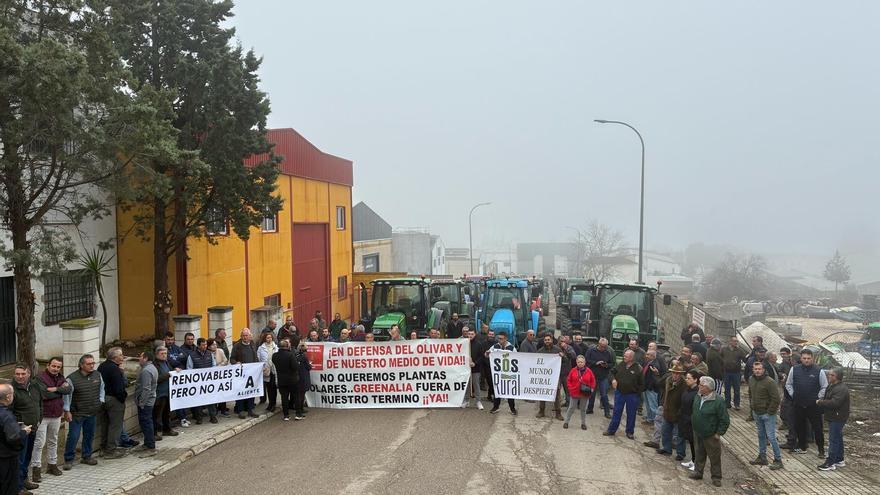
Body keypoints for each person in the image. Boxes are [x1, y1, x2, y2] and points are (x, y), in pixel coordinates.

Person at [30, 357, 70, 481]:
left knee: (53, 440)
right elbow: (44, 394)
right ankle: (36, 469)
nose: (56, 369)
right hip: (43, 416)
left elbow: (69, 389)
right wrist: (60, 391)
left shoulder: (61, 377)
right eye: (53, 366)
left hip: (57, 414)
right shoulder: (39, 378)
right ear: (48, 365)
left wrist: (56, 389)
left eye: (58, 367)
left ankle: (52, 465)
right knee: (39, 443)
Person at [63, 354, 104, 470]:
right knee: (74, 436)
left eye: (93, 363)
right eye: (89, 364)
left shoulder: (97, 375)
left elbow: (102, 388)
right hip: (77, 413)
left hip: (92, 412)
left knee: (89, 435)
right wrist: (67, 411)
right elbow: (67, 396)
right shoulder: (71, 378)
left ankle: (86, 456)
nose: (92, 366)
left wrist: (101, 400)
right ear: (81, 365)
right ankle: (68, 459)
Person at [785, 348, 827, 457]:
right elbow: (788, 384)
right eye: (804, 358)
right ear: (801, 358)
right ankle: (802, 447)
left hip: (814, 405)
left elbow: (824, 386)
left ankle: (821, 450)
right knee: (800, 426)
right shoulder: (794, 369)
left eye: (809, 358)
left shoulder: (819, 371)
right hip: (798, 404)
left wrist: (818, 397)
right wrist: (793, 394)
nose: (806, 360)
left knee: (817, 428)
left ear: (812, 359)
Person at [689, 376, 729, 487]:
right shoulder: (698, 396)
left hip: (711, 435)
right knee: (699, 454)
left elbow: (724, 419)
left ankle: (716, 477)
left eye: (701, 385)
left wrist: (719, 433)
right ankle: (698, 472)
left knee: (714, 457)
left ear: (708, 388)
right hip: (698, 431)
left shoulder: (718, 401)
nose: (699, 386)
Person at [747, 361, 783, 469]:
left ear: (763, 370)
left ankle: (778, 460)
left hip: (768, 414)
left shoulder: (769, 382)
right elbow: (750, 393)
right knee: (761, 435)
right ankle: (762, 457)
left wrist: (770, 412)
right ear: (753, 369)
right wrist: (752, 407)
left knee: (771, 437)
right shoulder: (751, 379)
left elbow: (776, 399)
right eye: (755, 369)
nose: (757, 371)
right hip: (757, 412)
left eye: (759, 369)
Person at [11, 364, 41, 491]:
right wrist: (19, 427)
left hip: (33, 428)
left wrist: (39, 419)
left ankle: (24, 480)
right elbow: (9, 412)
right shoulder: (11, 390)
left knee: (28, 456)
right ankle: (18, 487)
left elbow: (40, 404)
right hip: (21, 431)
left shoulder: (34, 386)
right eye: (17, 374)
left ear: (28, 374)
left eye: (23, 374)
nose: (20, 376)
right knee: (19, 459)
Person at [603, 349, 644, 439]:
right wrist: (613, 380)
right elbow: (611, 373)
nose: (623, 357)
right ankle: (611, 430)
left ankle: (630, 432)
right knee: (616, 412)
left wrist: (637, 393)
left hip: (632, 395)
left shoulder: (638, 368)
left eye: (626, 356)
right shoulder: (620, 364)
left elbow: (642, 383)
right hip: (620, 393)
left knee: (631, 414)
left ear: (632, 358)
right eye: (624, 355)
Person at [97, 347, 128, 459]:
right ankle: (111, 450)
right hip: (114, 399)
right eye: (121, 355)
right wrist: (123, 398)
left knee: (105, 424)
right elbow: (119, 388)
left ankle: (103, 448)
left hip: (103, 398)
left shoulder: (102, 366)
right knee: (115, 425)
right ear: (115, 357)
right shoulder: (115, 369)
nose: (122, 357)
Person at [817, 367, 850, 471]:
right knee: (838, 437)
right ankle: (839, 459)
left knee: (833, 439)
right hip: (834, 416)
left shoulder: (841, 388)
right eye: (829, 374)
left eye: (832, 375)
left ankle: (830, 462)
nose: (829, 376)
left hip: (838, 417)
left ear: (838, 377)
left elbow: (835, 403)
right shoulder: (832, 385)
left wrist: (820, 402)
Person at [1, 383, 30, 495]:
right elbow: (14, 438)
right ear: (8, 397)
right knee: (8, 487)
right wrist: (23, 432)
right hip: (6, 458)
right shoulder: (7, 416)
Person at [657, 363, 687, 459]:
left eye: (678, 373)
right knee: (665, 431)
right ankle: (667, 449)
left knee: (679, 435)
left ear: (681, 374)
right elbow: (664, 391)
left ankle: (680, 453)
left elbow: (684, 400)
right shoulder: (668, 380)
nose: (675, 375)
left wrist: (680, 412)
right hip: (667, 410)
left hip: (678, 413)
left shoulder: (684, 384)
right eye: (674, 373)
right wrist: (663, 403)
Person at [186, 338, 218, 424]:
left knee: (211, 400)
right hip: (198, 383)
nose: (205, 346)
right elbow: (189, 369)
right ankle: (199, 418)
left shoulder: (209, 354)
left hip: (208, 382)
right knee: (198, 401)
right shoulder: (191, 356)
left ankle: (213, 417)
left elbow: (214, 365)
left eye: (206, 345)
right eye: (203, 345)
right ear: (198, 345)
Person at [231, 328, 260, 419]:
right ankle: (240, 410)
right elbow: (232, 358)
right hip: (241, 374)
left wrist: (259, 366)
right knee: (241, 392)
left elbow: (255, 357)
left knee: (251, 392)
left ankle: (250, 409)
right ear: (241, 336)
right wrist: (236, 363)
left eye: (246, 335)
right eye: (243, 336)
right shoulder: (237, 346)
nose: (245, 337)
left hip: (252, 373)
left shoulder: (252, 344)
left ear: (249, 336)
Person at [134, 351, 158, 458]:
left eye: (140, 356)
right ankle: (147, 443)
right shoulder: (151, 368)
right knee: (146, 422)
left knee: (146, 423)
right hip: (149, 401)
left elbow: (146, 388)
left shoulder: (146, 371)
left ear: (146, 358)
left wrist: (142, 403)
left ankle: (151, 447)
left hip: (146, 402)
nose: (139, 358)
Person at [487, 331, 517, 415]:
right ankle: (496, 407)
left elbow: (517, 358)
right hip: (498, 373)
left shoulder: (511, 348)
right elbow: (486, 354)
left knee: (509, 391)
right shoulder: (495, 346)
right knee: (497, 390)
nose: (499, 340)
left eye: (501, 338)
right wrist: (487, 353)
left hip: (508, 373)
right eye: (498, 338)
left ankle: (512, 408)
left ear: (506, 338)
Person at [152, 347, 179, 440]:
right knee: (157, 415)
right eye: (162, 354)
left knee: (167, 413)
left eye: (165, 353)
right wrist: (168, 374)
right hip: (159, 394)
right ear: (156, 354)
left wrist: (175, 370)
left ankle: (167, 429)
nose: (164, 355)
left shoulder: (166, 363)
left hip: (168, 393)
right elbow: (156, 379)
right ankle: (156, 432)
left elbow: (171, 372)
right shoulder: (154, 365)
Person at [563, 356, 596, 430]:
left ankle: (583, 423)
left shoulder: (589, 371)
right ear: (576, 363)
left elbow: (593, 380)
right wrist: (571, 388)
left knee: (583, 409)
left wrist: (592, 388)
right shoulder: (573, 370)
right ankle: (566, 422)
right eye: (578, 362)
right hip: (574, 392)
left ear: (584, 363)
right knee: (571, 407)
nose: (580, 363)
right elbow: (568, 380)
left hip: (585, 393)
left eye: (582, 362)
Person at [536, 334, 564, 420]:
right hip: (543, 376)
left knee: (556, 395)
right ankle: (541, 411)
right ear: (544, 341)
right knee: (542, 393)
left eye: (548, 340)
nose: (547, 341)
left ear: (551, 340)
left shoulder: (557, 350)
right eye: (545, 340)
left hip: (555, 376)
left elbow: (565, 361)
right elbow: (535, 362)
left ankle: (558, 413)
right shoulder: (540, 351)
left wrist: (562, 356)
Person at [678, 370, 702, 471]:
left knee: (695, 442)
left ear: (695, 380)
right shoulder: (687, 389)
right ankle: (692, 460)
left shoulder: (697, 393)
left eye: (689, 378)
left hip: (692, 421)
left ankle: (697, 464)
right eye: (686, 378)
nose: (686, 380)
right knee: (691, 441)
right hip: (685, 419)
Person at [585, 338, 614, 418]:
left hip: (603, 377)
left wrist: (606, 365)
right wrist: (595, 363)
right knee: (592, 394)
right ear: (598, 344)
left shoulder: (608, 352)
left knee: (604, 394)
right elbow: (586, 360)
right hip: (593, 376)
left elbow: (612, 364)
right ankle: (590, 409)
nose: (603, 348)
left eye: (605, 347)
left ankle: (607, 412)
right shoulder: (591, 350)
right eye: (602, 346)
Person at [272, 338, 299, 421]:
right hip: (292, 379)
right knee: (295, 396)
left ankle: (286, 415)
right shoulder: (290, 355)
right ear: (287, 346)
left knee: (284, 397)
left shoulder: (275, 355)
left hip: (281, 380)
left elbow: (274, 363)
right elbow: (295, 367)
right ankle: (298, 414)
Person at [720, 336, 746, 410]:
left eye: (737, 341)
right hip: (726, 372)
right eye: (734, 341)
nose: (736, 343)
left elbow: (745, 359)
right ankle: (727, 404)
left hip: (736, 373)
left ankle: (736, 404)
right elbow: (719, 358)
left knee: (737, 389)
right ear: (730, 342)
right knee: (727, 389)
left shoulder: (739, 350)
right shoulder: (724, 349)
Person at [208, 339, 231, 417]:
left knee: (221, 392)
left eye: (215, 344)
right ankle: (214, 410)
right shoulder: (207, 353)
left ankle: (223, 410)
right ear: (209, 346)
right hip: (211, 377)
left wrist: (218, 367)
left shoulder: (220, 351)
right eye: (213, 345)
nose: (215, 346)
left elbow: (225, 361)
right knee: (213, 394)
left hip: (221, 375)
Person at [643, 350, 666, 423]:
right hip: (646, 387)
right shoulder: (648, 362)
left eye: (648, 355)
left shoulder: (654, 365)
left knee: (653, 406)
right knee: (648, 405)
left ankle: (656, 422)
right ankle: (650, 419)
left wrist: (650, 387)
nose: (646, 356)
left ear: (652, 356)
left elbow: (654, 379)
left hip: (651, 388)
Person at [258, 332, 279, 412]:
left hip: (274, 370)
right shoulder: (261, 348)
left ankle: (273, 404)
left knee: (273, 388)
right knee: (269, 388)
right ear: (264, 339)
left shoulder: (275, 347)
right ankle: (270, 404)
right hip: (266, 370)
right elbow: (259, 358)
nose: (269, 339)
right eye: (267, 338)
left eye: (270, 337)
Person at [464, 327, 485, 410]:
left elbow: (481, 357)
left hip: (475, 369)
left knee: (476, 385)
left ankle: (478, 401)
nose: (470, 335)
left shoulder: (478, 344)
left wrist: (474, 363)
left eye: (472, 334)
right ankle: (466, 401)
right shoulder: (463, 343)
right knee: (467, 385)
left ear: (475, 334)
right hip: (465, 369)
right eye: (469, 334)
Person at [293, 336, 312, 420]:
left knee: (299, 395)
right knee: (301, 395)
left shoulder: (295, 355)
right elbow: (308, 367)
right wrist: (310, 365)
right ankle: (299, 410)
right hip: (303, 377)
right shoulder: (304, 357)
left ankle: (299, 409)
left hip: (297, 377)